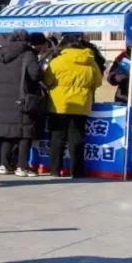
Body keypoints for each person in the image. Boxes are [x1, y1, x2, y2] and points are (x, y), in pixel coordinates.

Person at [44, 34, 103, 179]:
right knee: (77, 139)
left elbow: (47, 80)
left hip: (59, 105)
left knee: (57, 138)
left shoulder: (57, 62)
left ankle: (55, 170)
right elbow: (98, 82)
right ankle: (77, 171)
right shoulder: (90, 61)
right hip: (81, 105)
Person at [0, 30, 43, 177]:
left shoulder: (1, 55)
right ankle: (22, 167)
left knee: (7, 134)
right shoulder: (28, 54)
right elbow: (35, 75)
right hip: (21, 99)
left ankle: (4, 165)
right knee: (25, 133)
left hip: (2, 101)